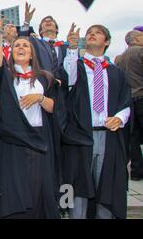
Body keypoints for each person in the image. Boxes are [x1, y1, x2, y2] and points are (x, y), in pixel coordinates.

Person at [0, 10, 61, 219]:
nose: (20, 47)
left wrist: (39, 98)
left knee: (37, 194)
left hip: (38, 141)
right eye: (17, 45)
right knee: (12, 195)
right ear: (10, 52)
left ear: (32, 54)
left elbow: (55, 107)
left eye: (25, 45)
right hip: (11, 143)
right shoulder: (6, 76)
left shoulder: (44, 78)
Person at [63, 24, 131, 219]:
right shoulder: (77, 66)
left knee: (107, 186)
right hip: (80, 136)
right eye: (89, 33)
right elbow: (68, 79)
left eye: (98, 32)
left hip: (108, 136)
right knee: (78, 184)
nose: (92, 34)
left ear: (107, 41)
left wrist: (119, 118)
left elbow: (126, 102)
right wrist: (72, 48)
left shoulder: (116, 72)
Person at [115, 30, 143, 180]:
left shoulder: (119, 58)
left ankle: (136, 171)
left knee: (133, 137)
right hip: (141, 96)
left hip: (129, 100)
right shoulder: (140, 52)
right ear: (137, 38)